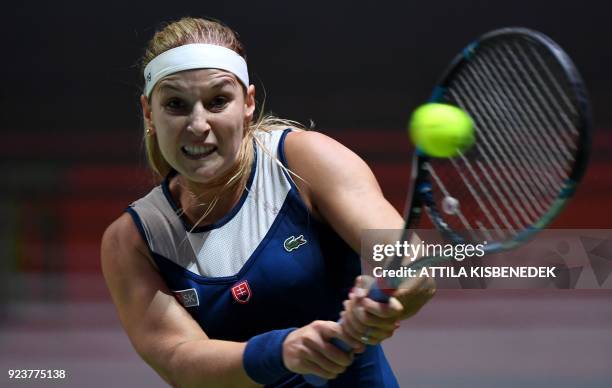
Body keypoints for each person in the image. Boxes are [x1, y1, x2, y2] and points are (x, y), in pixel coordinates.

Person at [101, 17, 435, 387]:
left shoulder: (305, 162)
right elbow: (179, 359)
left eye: (218, 101)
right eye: (176, 104)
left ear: (247, 103)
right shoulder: (132, 240)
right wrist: (281, 352)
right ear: (149, 112)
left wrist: (384, 299)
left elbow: (411, 261)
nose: (198, 124)